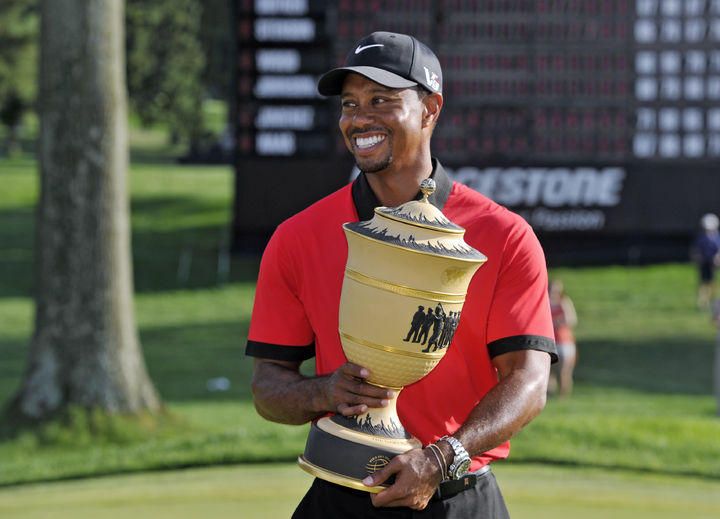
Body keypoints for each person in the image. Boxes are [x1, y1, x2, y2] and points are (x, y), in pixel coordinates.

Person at [246, 31, 557, 517]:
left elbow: (529, 382)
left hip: (457, 497)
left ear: (430, 109)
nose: (359, 118)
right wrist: (322, 391)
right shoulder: (298, 237)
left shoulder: (504, 236)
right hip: (339, 497)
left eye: (381, 100)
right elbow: (267, 386)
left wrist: (440, 458)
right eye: (349, 104)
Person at [548, 279, 578, 398]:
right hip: (550, 340)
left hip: (564, 341)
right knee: (549, 371)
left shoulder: (564, 302)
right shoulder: (545, 302)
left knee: (564, 370)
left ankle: (563, 396)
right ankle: (550, 395)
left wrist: (555, 322)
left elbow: (571, 319)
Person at [690, 213, 720, 310]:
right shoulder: (701, 237)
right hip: (703, 262)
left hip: (712, 263)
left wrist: (717, 257)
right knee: (703, 282)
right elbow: (696, 250)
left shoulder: (716, 237)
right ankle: (703, 302)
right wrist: (696, 257)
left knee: (712, 282)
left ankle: (713, 301)